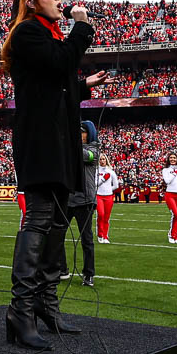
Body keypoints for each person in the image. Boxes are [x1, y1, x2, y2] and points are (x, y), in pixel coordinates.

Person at [2, 0, 103, 350]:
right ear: (30, 2)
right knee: (41, 217)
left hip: (60, 143)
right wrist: (83, 27)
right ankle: (21, 309)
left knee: (59, 220)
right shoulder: (28, 33)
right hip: (42, 141)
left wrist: (85, 85)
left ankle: (46, 304)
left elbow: (58, 82)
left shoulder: (52, 36)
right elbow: (59, 64)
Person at [61, 121, 99, 285]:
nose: (79, 135)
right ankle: (62, 269)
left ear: (89, 133)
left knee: (87, 239)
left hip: (85, 200)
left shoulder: (94, 149)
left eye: (82, 132)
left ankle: (89, 273)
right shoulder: (69, 149)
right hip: (67, 199)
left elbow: (86, 156)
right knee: (57, 236)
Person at [161, 151, 177, 243]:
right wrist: (175, 173)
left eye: (174, 158)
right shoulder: (165, 170)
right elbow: (167, 181)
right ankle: (171, 235)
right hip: (170, 194)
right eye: (171, 158)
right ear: (168, 159)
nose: (172, 159)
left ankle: (176, 236)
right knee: (175, 214)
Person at [95, 154, 118, 243]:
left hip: (109, 196)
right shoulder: (96, 171)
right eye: (100, 159)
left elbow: (116, 185)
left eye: (103, 159)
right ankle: (100, 235)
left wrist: (108, 190)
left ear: (106, 160)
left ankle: (105, 236)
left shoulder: (111, 171)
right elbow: (95, 184)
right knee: (100, 214)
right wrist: (103, 179)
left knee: (106, 217)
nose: (102, 161)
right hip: (99, 195)